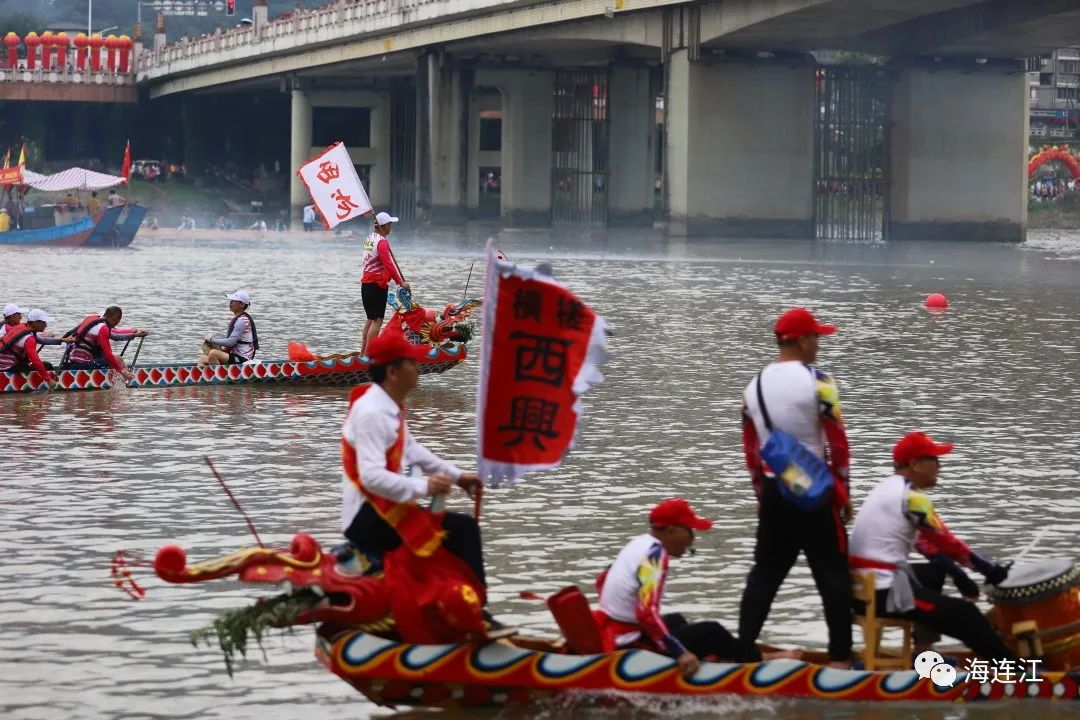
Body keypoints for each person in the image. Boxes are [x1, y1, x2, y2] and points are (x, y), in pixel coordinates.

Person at [738, 307, 853, 668]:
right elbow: (838, 443)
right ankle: (839, 661)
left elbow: (751, 449)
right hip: (816, 494)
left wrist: (760, 495)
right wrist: (844, 491)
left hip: (775, 492)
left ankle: (740, 652)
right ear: (802, 340)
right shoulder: (819, 381)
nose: (818, 345)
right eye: (816, 337)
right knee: (832, 574)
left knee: (765, 574)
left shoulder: (752, 387)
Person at [849, 432, 1016, 662]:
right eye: (934, 459)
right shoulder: (912, 497)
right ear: (915, 464)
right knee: (965, 614)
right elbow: (948, 543)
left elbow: (926, 545)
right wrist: (991, 571)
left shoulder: (887, 489)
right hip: (882, 594)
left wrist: (958, 575)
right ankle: (1019, 674)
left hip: (860, 589)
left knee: (934, 572)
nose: (939, 466)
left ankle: (922, 651)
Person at [341, 333, 485, 587]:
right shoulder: (372, 413)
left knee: (461, 528)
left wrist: (458, 477)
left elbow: (414, 452)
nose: (418, 368)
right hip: (367, 516)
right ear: (393, 373)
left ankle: (461, 605)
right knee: (462, 530)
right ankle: (474, 609)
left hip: (384, 508)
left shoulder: (388, 406)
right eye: (412, 363)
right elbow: (371, 477)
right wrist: (425, 487)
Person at [595, 499, 799, 677]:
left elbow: (602, 580)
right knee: (711, 631)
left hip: (618, 627)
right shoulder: (654, 557)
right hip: (627, 641)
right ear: (671, 531)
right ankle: (761, 659)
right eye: (689, 531)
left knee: (675, 620)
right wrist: (680, 652)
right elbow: (647, 613)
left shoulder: (639, 544)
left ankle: (724, 656)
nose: (692, 540)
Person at [359, 211, 409, 356]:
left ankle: (363, 354)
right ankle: (368, 357)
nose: (391, 227)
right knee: (377, 321)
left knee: (370, 319)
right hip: (376, 286)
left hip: (366, 285)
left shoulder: (370, 238)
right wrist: (401, 283)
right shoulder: (381, 242)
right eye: (390, 224)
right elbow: (389, 265)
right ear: (384, 225)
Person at [63, 306, 148, 377]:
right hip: (81, 365)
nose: (116, 325)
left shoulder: (93, 319)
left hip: (72, 362)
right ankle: (128, 381)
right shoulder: (102, 328)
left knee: (111, 358)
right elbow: (109, 354)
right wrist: (122, 371)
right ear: (115, 319)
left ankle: (117, 380)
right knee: (118, 359)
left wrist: (133, 332)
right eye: (118, 321)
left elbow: (114, 333)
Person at [198, 290, 258, 365]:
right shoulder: (238, 319)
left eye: (234, 301)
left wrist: (212, 339)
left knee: (213, 353)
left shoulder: (242, 321)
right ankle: (205, 376)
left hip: (243, 358)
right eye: (231, 300)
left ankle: (220, 375)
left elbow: (230, 342)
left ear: (242, 304)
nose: (230, 302)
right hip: (234, 354)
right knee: (202, 359)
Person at [0, 309, 57, 381]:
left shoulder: (21, 327)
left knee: (43, 365)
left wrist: (60, 340)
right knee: (47, 366)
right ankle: (53, 382)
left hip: (4, 364)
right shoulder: (29, 338)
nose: (46, 325)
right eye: (44, 322)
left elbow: (39, 339)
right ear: (35, 323)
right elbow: (35, 361)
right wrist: (48, 379)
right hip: (7, 367)